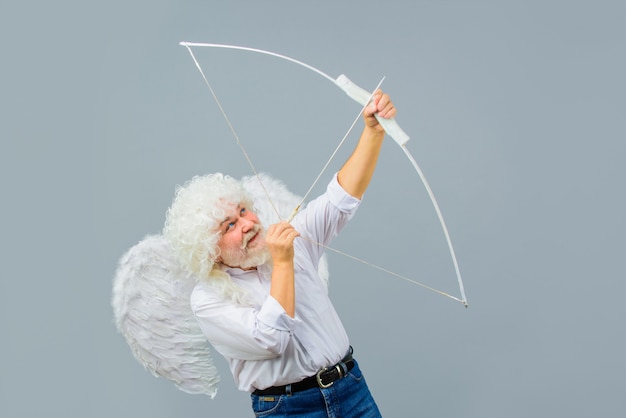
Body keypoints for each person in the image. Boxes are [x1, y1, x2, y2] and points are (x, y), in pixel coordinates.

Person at [163, 90, 396, 417]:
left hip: (351, 388)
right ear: (209, 251)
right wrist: (283, 262)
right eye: (229, 225)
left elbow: (340, 199)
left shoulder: (290, 239)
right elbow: (269, 339)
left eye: (244, 211)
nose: (246, 224)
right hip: (289, 409)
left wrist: (373, 132)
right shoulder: (207, 299)